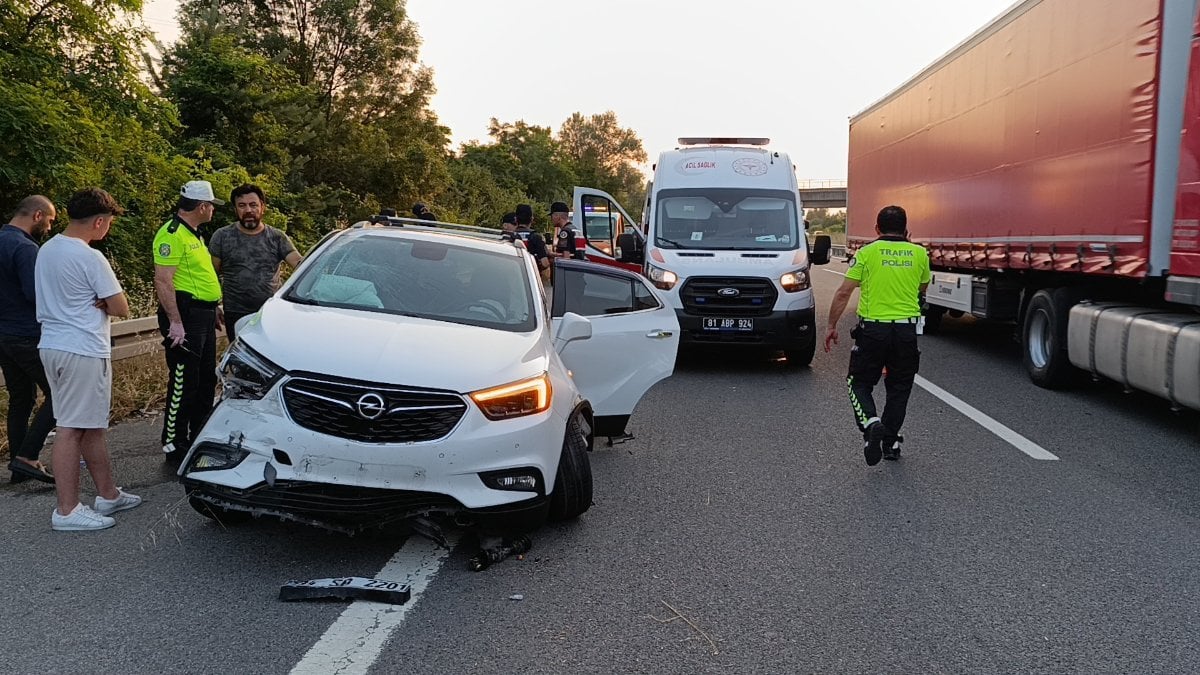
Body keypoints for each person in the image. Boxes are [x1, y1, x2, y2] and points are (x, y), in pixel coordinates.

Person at [35, 188, 140, 531]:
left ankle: (108, 494)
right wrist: (103, 301)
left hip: (53, 342)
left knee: (91, 425)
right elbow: (121, 306)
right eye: (108, 222)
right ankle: (67, 510)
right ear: (99, 221)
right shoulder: (89, 256)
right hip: (81, 346)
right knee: (70, 428)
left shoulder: (47, 250)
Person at [824, 205, 930, 466]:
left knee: (857, 383)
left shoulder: (867, 253)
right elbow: (922, 286)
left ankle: (871, 423)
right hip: (906, 332)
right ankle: (890, 442)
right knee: (900, 388)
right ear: (907, 229)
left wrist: (831, 326)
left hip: (873, 331)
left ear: (877, 229)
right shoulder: (920, 254)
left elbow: (843, 292)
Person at [153, 180, 224, 464]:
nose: (212, 211)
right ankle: (174, 442)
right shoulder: (171, 235)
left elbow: (199, 275)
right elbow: (163, 280)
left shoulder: (193, 234)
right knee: (185, 381)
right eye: (211, 206)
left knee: (206, 379)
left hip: (203, 314)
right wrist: (175, 322)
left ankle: (198, 436)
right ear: (203, 206)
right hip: (186, 315)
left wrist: (214, 306)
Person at [0, 196, 57, 483]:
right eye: (49, 220)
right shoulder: (26, 249)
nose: (49, 226)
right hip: (27, 334)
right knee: (60, 394)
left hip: (3, 336)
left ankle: (17, 467)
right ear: (37, 215)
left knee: (21, 398)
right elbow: (37, 296)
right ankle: (28, 456)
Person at [208, 184, 302, 345]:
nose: (248, 210)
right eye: (242, 206)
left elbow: (300, 266)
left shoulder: (277, 237)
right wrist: (213, 306)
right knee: (241, 359)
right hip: (235, 312)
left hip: (270, 313)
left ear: (262, 207)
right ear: (235, 209)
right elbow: (209, 274)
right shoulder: (222, 237)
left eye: (253, 205)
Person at [514, 204, 551, 284]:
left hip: (513, 278)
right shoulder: (536, 237)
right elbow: (545, 263)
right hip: (531, 281)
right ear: (532, 219)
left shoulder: (510, 236)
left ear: (516, 219)